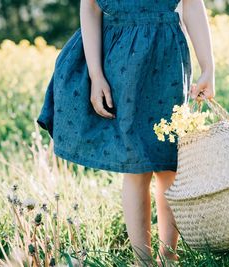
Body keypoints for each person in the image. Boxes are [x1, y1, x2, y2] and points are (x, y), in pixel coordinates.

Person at [36, 0, 215, 266]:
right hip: (122, 66)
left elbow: (192, 5)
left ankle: (169, 256)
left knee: (170, 163)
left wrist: (208, 67)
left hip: (167, 62)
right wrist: (96, 75)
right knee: (136, 166)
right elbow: (91, 8)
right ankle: (142, 260)